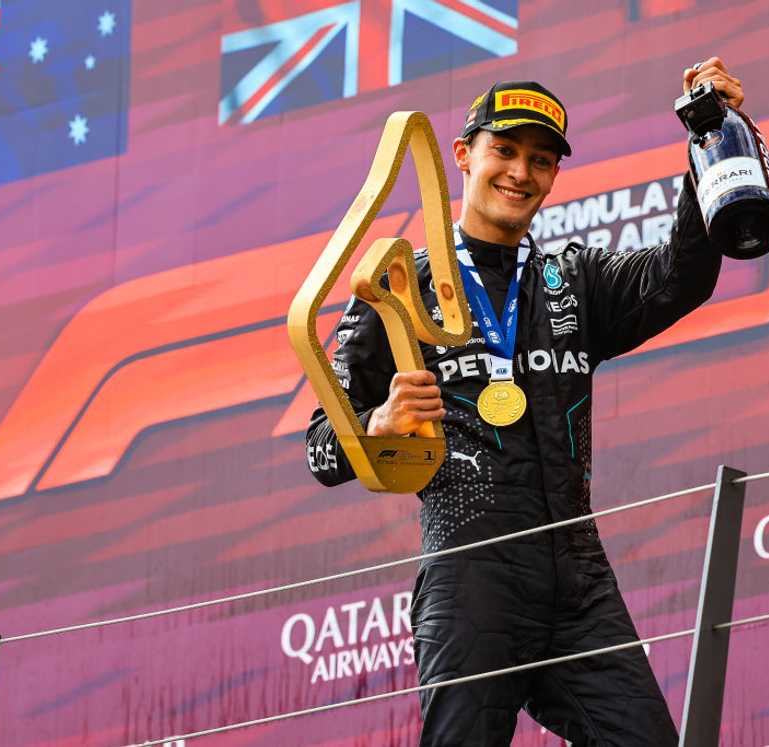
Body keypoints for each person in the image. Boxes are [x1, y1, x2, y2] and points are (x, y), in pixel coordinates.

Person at [306, 59, 745, 746]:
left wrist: (707, 140)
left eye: (540, 160)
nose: (520, 172)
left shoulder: (574, 279)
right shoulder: (397, 291)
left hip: (580, 582)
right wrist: (380, 423)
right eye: (504, 151)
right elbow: (320, 448)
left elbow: (681, 277)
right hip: (472, 575)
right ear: (463, 156)